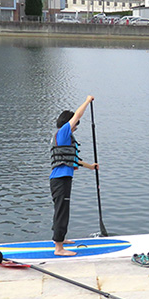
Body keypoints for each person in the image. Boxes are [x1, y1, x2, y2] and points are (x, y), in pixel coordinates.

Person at [50, 95, 99, 256]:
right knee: (62, 210)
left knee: (62, 209)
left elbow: (74, 159)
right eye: (75, 125)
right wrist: (87, 101)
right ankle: (59, 248)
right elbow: (77, 115)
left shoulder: (65, 137)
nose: (75, 128)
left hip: (62, 179)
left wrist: (90, 166)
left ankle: (60, 239)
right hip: (60, 180)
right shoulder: (63, 131)